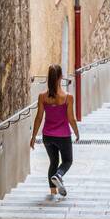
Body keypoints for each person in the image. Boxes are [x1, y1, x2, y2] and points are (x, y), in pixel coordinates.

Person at [30, 64, 79, 197]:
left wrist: (34, 136)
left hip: (47, 136)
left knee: (53, 162)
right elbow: (71, 119)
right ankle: (58, 175)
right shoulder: (67, 97)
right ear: (61, 77)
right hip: (63, 136)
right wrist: (76, 132)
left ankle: (53, 191)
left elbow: (39, 117)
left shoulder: (42, 97)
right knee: (67, 161)